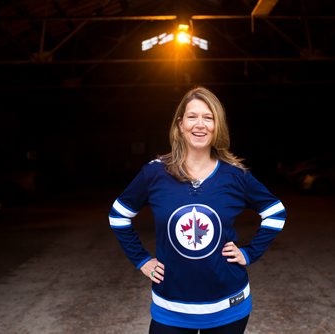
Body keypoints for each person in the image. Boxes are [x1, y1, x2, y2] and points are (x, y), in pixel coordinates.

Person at [108, 86, 287, 334]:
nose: (200, 124)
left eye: (208, 117)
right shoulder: (154, 173)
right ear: (180, 125)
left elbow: (275, 212)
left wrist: (249, 253)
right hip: (170, 309)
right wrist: (141, 260)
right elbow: (118, 216)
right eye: (192, 117)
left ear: (217, 126)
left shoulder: (235, 175)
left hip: (229, 307)